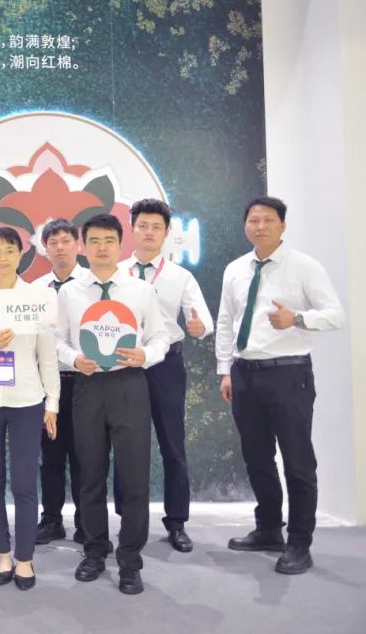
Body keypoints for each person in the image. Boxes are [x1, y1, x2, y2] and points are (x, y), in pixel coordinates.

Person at [216, 196, 344, 575]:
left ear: (282, 226)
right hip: (244, 373)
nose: (260, 226)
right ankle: (269, 528)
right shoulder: (235, 269)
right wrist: (225, 370)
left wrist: (297, 319)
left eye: (268, 220)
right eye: (253, 220)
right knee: (256, 457)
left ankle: (300, 542)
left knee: (297, 460)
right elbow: (226, 320)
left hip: (289, 374)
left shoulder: (304, 266)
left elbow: (335, 315)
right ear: (246, 226)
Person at [55, 213, 169, 595]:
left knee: (134, 477)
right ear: (83, 246)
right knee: (89, 473)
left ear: (121, 245)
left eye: (109, 240)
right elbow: (57, 340)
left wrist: (145, 355)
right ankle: (94, 550)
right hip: (87, 386)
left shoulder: (141, 290)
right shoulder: (69, 292)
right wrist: (73, 359)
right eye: (94, 241)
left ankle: (130, 561)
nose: (102, 248)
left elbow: (161, 337)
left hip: (129, 384)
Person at [0, 228, 59, 591]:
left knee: (23, 481)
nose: (2, 257)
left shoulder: (38, 298)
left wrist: (52, 402)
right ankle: (2, 554)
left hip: (27, 400)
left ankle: (24, 558)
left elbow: (47, 355)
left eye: (9, 250)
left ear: (21, 255)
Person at [117, 199, 213, 553]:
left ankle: (177, 522)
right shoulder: (117, 272)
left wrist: (199, 327)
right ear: (132, 228)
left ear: (166, 232)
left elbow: (203, 320)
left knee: (173, 444)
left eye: (156, 227)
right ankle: (128, 519)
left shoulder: (180, 276)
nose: (149, 232)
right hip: (124, 365)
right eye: (142, 225)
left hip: (166, 366)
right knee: (126, 445)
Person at [32, 219, 87, 545]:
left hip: (84, 381)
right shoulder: (36, 289)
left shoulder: (91, 285)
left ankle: (86, 521)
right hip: (46, 383)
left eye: (66, 241)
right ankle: (51, 519)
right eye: (53, 242)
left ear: (78, 245)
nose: (60, 247)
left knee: (84, 456)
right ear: (45, 248)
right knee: (50, 456)